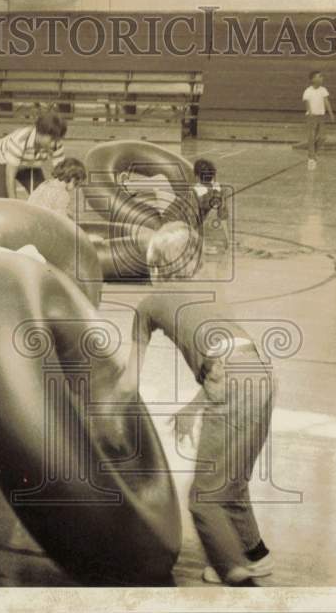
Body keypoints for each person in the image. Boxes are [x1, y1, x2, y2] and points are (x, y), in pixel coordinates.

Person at [130, 222, 275, 587]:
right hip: (261, 374)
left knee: (203, 498)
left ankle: (237, 575)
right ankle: (254, 554)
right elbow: (227, 357)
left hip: (228, 382)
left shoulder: (147, 305)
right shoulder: (210, 293)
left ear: (156, 266)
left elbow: (128, 380)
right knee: (233, 480)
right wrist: (193, 408)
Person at [0, 112, 68, 198]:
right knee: (1, 201)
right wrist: (14, 201)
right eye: (52, 139)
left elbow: (60, 172)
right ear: (40, 133)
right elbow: (10, 175)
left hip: (28, 163)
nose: (54, 144)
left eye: (58, 138)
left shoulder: (57, 144)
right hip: (1, 162)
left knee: (43, 196)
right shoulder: (20, 140)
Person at [191, 158, 231, 252]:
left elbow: (193, 220)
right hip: (204, 231)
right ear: (213, 176)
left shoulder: (194, 191)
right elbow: (223, 218)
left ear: (196, 177)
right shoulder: (218, 190)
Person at [303, 70, 335, 170]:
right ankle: (311, 159)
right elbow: (307, 103)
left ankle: (313, 153)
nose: (321, 78)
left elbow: (326, 102)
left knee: (322, 137)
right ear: (313, 79)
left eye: (322, 76)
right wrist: (311, 112)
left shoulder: (323, 90)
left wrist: (331, 113)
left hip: (321, 117)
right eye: (319, 76)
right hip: (311, 117)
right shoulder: (308, 91)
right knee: (311, 137)